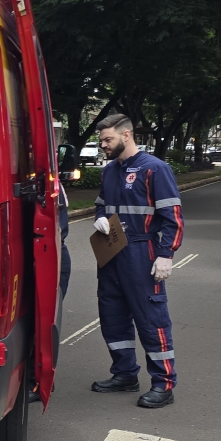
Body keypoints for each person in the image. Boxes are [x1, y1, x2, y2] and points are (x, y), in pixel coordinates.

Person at [91, 112, 182, 409]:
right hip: (111, 251)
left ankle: (163, 384)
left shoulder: (155, 169)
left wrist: (166, 255)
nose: (103, 145)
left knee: (150, 320)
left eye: (108, 139)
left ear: (126, 135)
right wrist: (100, 219)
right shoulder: (109, 172)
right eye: (101, 140)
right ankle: (125, 374)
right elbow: (101, 206)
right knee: (112, 315)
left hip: (142, 253)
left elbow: (173, 219)